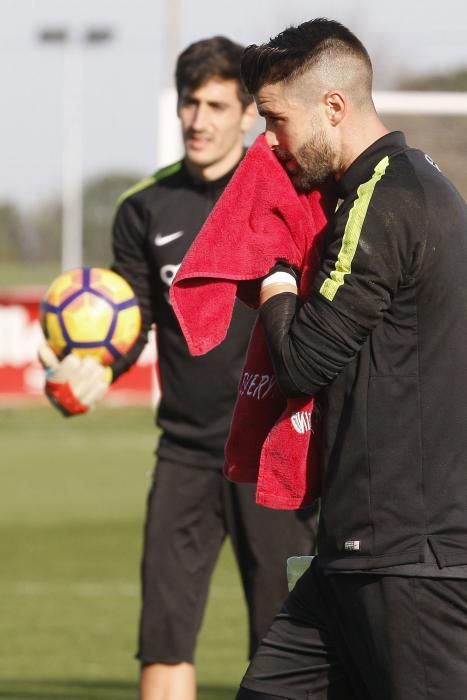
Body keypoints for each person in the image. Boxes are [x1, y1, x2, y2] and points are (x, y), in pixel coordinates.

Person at [39, 36, 319, 700]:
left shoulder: (288, 197)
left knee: (284, 643)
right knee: (163, 636)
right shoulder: (145, 207)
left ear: (248, 113)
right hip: (186, 454)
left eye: (216, 105)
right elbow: (129, 323)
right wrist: (94, 371)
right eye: (190, 103)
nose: (198, 119)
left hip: (274, 456)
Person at [233, 17, 467, 700]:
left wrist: (274, 274)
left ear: (332, 106)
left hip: (407, 560)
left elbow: (302, 363)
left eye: (276, 120)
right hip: (352, 553)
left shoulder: (385, 200)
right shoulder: (414, 186)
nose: (269, 143)